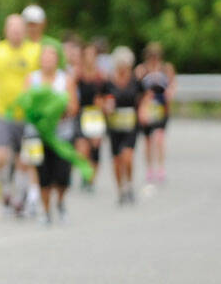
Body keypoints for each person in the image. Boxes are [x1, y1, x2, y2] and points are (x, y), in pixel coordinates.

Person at [0, 14, 39, 215]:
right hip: (1, 111)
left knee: (24, 159)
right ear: (6, 30)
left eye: (19, 28)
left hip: (27, 113)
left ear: (24, 31)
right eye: (12, 28)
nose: (15, 32)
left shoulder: (34, 51)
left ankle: (20, 196)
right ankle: (5, 188)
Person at [27, 45, 76, 223]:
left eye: (51, 58)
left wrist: (58, 110)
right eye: (45, 58)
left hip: (61, 134)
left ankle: (61, 201)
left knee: (62, 174)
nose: (48, 61)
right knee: (43, 173)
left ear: (57, 60)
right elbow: (27, 105)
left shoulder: (65, 80)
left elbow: (73, 107)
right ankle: (46, 211)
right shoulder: (32, 79)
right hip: (38, 134)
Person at [102, 46, 146, 205]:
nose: (122, 68)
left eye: (125, 65)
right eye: (119, 65)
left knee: (127, 156)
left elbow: (144, 97)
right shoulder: (108, 81)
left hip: (130, 123)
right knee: (116, 160)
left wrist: (142, 110)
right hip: (114, 124)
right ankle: (120, 189)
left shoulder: (136, 80)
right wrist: (106, 106)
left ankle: (129, 184)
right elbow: (100, 98)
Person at [136, 42, 176, 184]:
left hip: (160, 108)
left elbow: (172, 86)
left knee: (159, 138)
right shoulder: (141, 70)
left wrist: (169, 95)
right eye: (151, 56)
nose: (153, 59)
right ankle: (149, 169)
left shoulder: (166, 69)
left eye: (156, 56)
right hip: (147, 107)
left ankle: (160, 168)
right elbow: (137, 89)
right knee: (147, 141)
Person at [72, 40, 108, 192]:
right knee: (82, 147)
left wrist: (104, 105)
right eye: (86, 55)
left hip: (96, 115)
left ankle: (91, 178)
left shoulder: (101, 77)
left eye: (92, 55)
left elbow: (108, 96)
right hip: (81, 113)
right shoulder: (77, 75)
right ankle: (84, 172)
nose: (89, 57)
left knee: (95, 148)